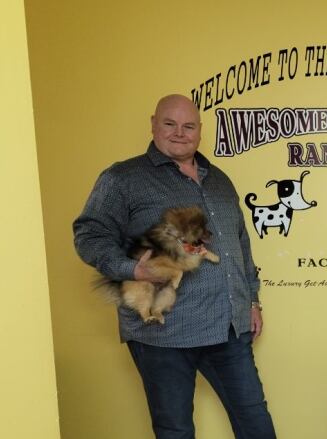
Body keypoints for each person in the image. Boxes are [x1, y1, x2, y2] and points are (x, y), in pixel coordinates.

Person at [73, 94, 276, 439]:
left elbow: (239, 246)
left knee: (254, 421)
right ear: (153, 124)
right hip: (162, 333)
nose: (180, 133)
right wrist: (132, 269)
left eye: (189, 126)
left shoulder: (219, 180)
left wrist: (252, 301)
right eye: (170, 124)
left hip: (227, 327)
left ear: (199, 131)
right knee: (175, 431)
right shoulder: (122, 178)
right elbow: (89, 234)